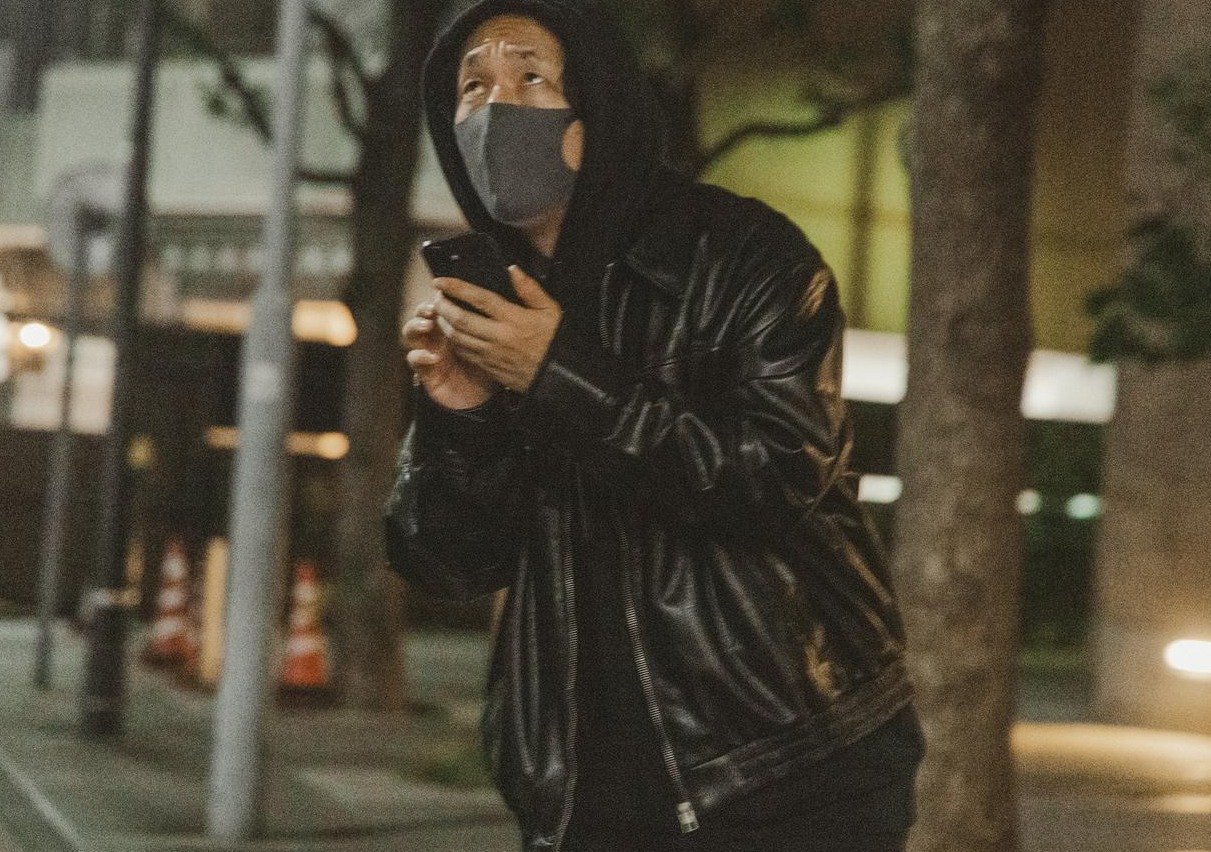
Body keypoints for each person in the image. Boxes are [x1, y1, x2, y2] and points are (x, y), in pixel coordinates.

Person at [385, 1, 925, 850]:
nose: (496, 109)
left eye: (532, 77)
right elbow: (449, 564)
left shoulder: (747, 256)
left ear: (598, 104)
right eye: (472, 87)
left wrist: (558, 373)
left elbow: (780, 473)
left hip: (785, 763)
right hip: (583, 790)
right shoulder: (495, 302)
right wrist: (461, 415)